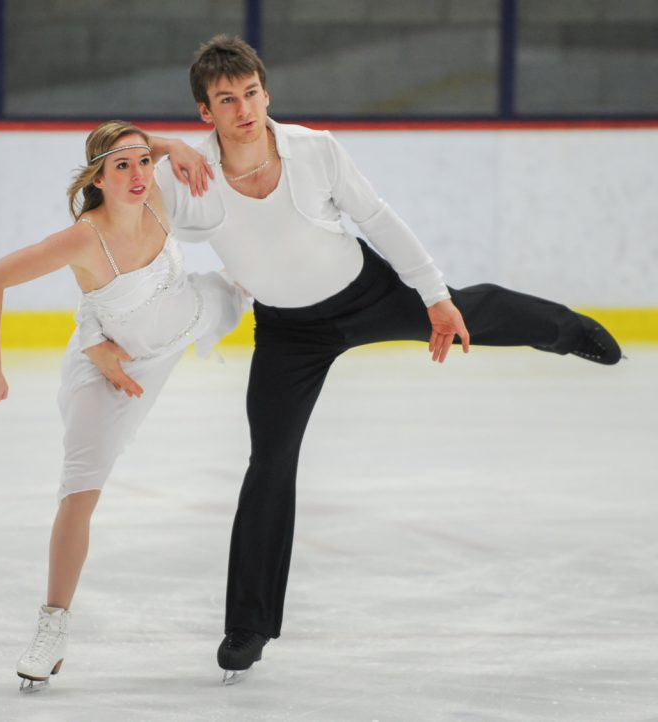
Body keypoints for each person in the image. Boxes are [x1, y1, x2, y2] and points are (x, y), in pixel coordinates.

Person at [82, 36, 621, 683]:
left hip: (364, 292)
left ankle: (563, 330)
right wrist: (99, 327)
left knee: (466, 309)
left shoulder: (315, 149)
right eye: (226, 100)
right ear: (205, 113)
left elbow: (380, 218)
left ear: (266, 92)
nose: (244, 108)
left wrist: (435, 298)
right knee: (269, 464)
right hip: (288, 333)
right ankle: (248, 626)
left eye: (251, 92)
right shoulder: (186, 180)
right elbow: (113, 230)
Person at [0, 120, 249, 691]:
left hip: (194, 314)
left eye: (143, 162)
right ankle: (52, 626)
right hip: (116, 373)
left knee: (268, 274)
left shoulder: (161, 195)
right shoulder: (84, 237)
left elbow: (192, 150)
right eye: (121, 166)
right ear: (97, 177)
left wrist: (165, 146)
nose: (138, 175)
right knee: (79, 491)